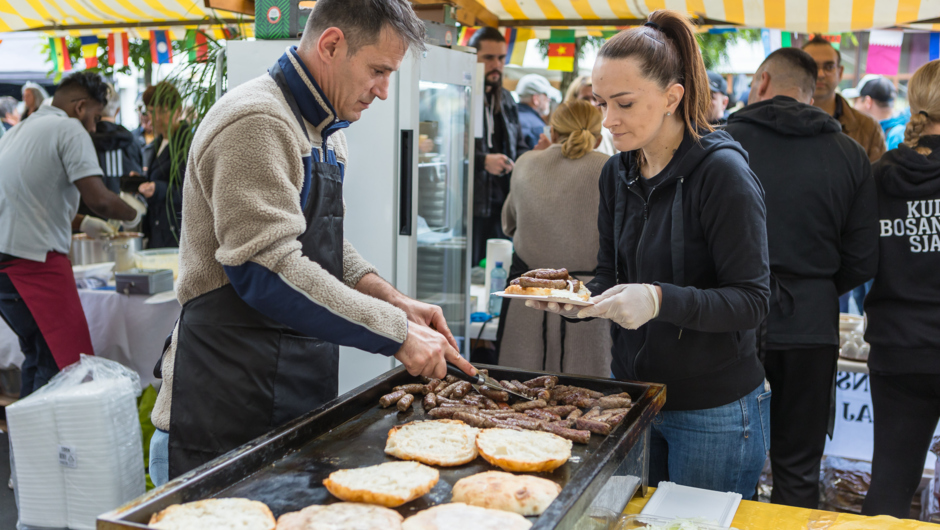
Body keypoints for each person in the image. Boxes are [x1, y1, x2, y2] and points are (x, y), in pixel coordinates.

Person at [148, 0, 475, 485]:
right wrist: (397, 334)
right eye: (378, 70)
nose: (384, 91)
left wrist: (398, 302)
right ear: (331, 45)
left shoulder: (327, 132)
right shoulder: (257, 120)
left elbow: (325, 248)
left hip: (293, 391)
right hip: (224, 400)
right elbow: (266, 268)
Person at [528, 10, 771, 497]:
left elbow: (753, 300)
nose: (608, 120)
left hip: (713, 410)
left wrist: (659, 299)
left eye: (623, 103)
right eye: (600, 103)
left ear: (672, 96)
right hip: (633, 396)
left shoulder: (722, 174)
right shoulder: (616, 173)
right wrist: (576, 302)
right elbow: (609, 275)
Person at [725, 48, 879, 508]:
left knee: (732, 466)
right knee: (798, 469)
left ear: (764, 82)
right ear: (812, 94)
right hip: (811, 326)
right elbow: (864, 257)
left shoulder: (721, 143)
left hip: (731, 321)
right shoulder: (849, 152)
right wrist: (817, 285)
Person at [0, 72, 139, 396]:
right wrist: (133, 214)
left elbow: (28, 200)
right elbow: (100, 199)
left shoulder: (20, 130)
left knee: (37, 355)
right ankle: (54, 445)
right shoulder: (69, 129)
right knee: (67, 367)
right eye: (94, 117)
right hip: (34, 263)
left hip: (7, 267)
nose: (93, 128)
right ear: (80, 108)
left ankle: (28, 445)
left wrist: (81, 223)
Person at [861, 59, 940, 519]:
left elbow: (858, 260)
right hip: (903, 346)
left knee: (890, 483)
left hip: (896, 349)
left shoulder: (878, 175)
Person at [497, 100, 612, 377]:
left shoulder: (525, 162)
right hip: (587, 299)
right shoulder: (611, 168)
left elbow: (509, 224)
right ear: (598, 138)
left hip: (527, 299)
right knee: (588, 404)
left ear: (552, 131)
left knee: (517, 399)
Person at [469, 26, 530, 265]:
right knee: (470, 271)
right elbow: (445, 148)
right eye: (489, 58)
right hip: (468, 206)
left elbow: (519, 144)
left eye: (501, 58)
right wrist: (482, 160)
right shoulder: (459, 95)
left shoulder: (505, 98)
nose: (497, 64)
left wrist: (536, 157)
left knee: (499, 271)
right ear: (473, 58)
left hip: (504, 203)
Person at [802, 36, 886, 163]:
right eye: (812, 66)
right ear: (799, 72)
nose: (820, 74)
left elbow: (878, 179)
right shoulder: (783, 122)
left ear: (840, 72)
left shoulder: (869, 128)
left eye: (829, 66)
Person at [138, 82, 189, 248]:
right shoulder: (157, 143)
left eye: (162, 111)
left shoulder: (188, 144)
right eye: (152, 112)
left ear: (178, 110)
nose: (156, 118)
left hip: (177, 235)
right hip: (158, 232)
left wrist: (157, 189)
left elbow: (193, 193)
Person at [90, 83, 143, 195]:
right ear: (117, 110)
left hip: (91, 207)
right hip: (126, 206)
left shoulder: (85, 140)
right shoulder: (132, 141)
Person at [844, 74, 909, 151]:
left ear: (868, 102)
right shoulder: (895, 132)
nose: (854, 108)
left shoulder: (896, 136)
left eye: (855, 101)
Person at [564, 75, 617, 156]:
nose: (591, 104)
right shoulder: (563, 129)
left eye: (595, 99)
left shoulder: (611, 130)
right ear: (573, 101)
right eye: (585, 99)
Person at [514, 74, 559, 149]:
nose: (549, 100)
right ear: (536, 99)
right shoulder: (537, 126)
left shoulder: (510, 117)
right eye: (546, 97)